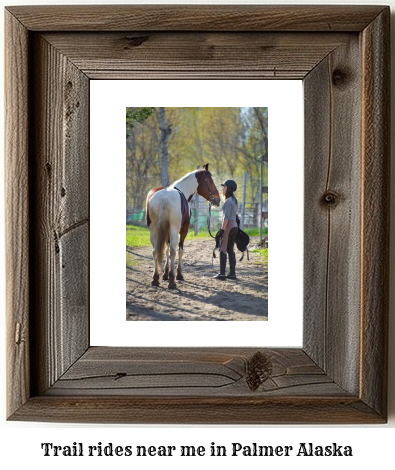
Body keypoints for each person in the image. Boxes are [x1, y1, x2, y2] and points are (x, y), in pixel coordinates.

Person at [213, 179, 238, 280]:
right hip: (235, 226)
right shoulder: (235, 200)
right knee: (230, 250)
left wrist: (222, 230)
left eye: (224, 187)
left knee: (223, 250)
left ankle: (222, 274)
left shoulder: (228, 201)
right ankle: (232, 273)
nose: (222, 189)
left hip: (228, 227)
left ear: (229, 189)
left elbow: (226, 217)